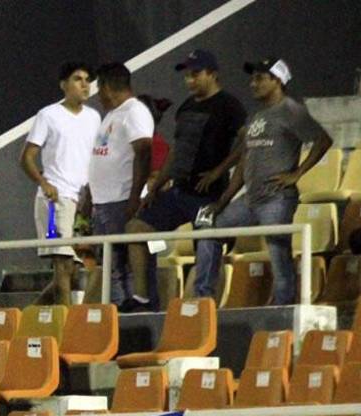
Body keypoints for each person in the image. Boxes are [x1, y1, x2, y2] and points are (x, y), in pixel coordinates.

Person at [192, 58, 331, 306]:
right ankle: (203, 299)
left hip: (276, 197)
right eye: (252, 78)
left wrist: (296, 173)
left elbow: (322, 140)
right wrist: (222, 201)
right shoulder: (257, 116)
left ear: (277, 80)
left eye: (259, 78)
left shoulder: (290, 109)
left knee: (278, 251)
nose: (252, 83)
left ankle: (283, 307)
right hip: (250, 198)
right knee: (208, 229)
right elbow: (244, 162)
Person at [126, 50, 246, 306]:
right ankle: (143, 297)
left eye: (196, 74)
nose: (190, 81)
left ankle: (205, 300)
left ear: (212, 74)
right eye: (187, 76)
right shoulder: (187, 107)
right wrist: (156, 186)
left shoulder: (229, 105)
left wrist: (219, 170)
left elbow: (246, 142)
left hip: (209, 195)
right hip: (179, 191)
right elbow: (177, 151)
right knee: (136, 229)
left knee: (208, 242)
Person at [21, 62, 100, 307]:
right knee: (63, 265)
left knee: (73, 269)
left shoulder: (94, 117)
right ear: (64, 85)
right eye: (78, 79)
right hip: (56, 199)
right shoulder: (49, 115)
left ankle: (30, 316)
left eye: (87, 79)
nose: (85, 84)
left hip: (84, 200)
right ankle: (65, 325)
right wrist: (44, 183)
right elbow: (27, 157)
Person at [87, 62, 153, 309]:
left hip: (121, 200)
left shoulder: (134, 112)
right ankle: (116, 313)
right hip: (103, 202)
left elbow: (144, 151)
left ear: (107, 86)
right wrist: (89, 195)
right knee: (111, 265)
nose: (97, 94)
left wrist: (134, 195)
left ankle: (128, 314)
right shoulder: (114, 114)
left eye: (98, 87)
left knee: (121, 264)